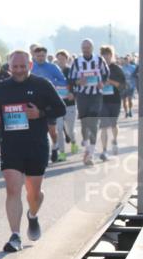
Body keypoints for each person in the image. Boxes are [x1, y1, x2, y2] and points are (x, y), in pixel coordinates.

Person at [0, 50, 66, 252]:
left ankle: (32, 215)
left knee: (34, 194)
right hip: (12, 145)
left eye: (22, 66)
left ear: (30, 66)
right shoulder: (4, 86)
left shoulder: (42, 85)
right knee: (13, 189)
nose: (19, 70)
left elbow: (61, 109)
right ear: (9, 67)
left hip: (36, 145)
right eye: (15, 66)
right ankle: (15, 236)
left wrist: (40, 113)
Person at [68, 38, 109, 166]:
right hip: (82, 95)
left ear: (92, 48)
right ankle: (87, 145)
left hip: (96, 94)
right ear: (81, 49)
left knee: (93, 122)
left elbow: (106, 73)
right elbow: (70, 77)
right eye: (84, 47)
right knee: (85, 123)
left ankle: (90, 153)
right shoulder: (77, 61)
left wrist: (102, 82)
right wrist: (77, 82)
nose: (86, 49)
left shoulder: (99, 59)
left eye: (88, 47)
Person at [29, 45, 69, 164]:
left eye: (42, 56)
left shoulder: (52, 67)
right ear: (34, 56)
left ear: (46, 56)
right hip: (35, 102)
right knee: (38, 131)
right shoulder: (32, 67)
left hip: (50, 101)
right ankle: (41, 154)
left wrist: (51, 82)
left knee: (52, 130)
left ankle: (55, 146)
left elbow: (63, 81)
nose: (40, 58)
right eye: (38, 56)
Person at [98, 45, 124, 160]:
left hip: (115, 100)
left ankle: (115, 141)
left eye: (108, 54)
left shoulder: (116, 68)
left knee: (113, 124)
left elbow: (122, 85)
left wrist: (110, 82)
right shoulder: (97, 68)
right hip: (101, 100)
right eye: (103, 54)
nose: (106, 56)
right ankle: (104, 151)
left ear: (111, 55)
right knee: (103, 126)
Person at [53, 50, 78, 158]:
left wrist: (73, 93)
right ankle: (62, 153)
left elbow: (78, 85)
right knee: (58, 129)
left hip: (70, 104)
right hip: (57, 105)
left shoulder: (71, 71)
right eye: (59, 59)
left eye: (63, 59)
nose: (61, 61)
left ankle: (73, 142)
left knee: (70, 130)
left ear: (67, 59)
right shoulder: (53, 71)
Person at [123, 53, 137, 118]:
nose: (126, 60)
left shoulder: (133, 67)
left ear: (129, 60)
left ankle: (130, 110)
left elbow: (136, 74)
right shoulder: (122, 68)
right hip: (124, 87)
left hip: (131, 86)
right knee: (124, 100)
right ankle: (126, 112)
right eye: (125, 59)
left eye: (127, 59)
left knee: (130, 99)